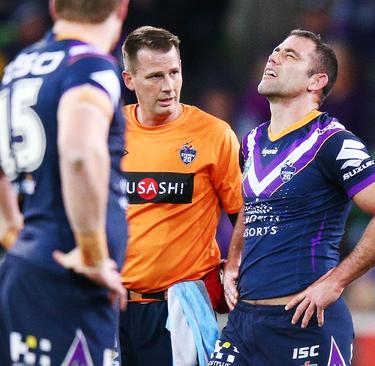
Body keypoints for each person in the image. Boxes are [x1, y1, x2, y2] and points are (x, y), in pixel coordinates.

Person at [213, 29, 375, 366]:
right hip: (243, 325)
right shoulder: (249, 143)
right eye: (275, 51)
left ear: (316, 81)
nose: (274, 58)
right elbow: (252, 206)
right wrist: (234, 259)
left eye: (290, 55)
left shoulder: (332, 141)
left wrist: (337, 281)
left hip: (303, 325)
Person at [0, 0, 130, 365]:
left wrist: (15, 238)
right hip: (69, 282)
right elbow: (79, 151)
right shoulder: (91, 66)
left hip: (21, 273)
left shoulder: (20, 68)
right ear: (122, 8)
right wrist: (93, 255)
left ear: (54, 8)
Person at [119, 26, 243, 365]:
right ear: (129, 80)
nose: (169, 86)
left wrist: (233, 265)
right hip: (111, 307)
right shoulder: (107, 132)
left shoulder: (214, 135)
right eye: (155, 76)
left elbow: (245, 212)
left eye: (174, 72)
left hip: (179, 310)